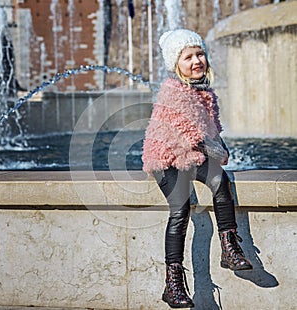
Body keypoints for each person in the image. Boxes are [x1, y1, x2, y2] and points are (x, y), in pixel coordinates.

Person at [142, 29, 252, 309]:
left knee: (220, 180)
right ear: (176, 64)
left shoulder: (206, 93)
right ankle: (173, 282)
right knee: (180, 209)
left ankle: (229, 245)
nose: (196, 61)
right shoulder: (172, 93)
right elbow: (194, 136)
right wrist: (221, 152)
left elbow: (212, 131)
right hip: (165, 158)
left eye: (199, 54)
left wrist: (221, 149)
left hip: (191, 155)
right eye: (188, 57)